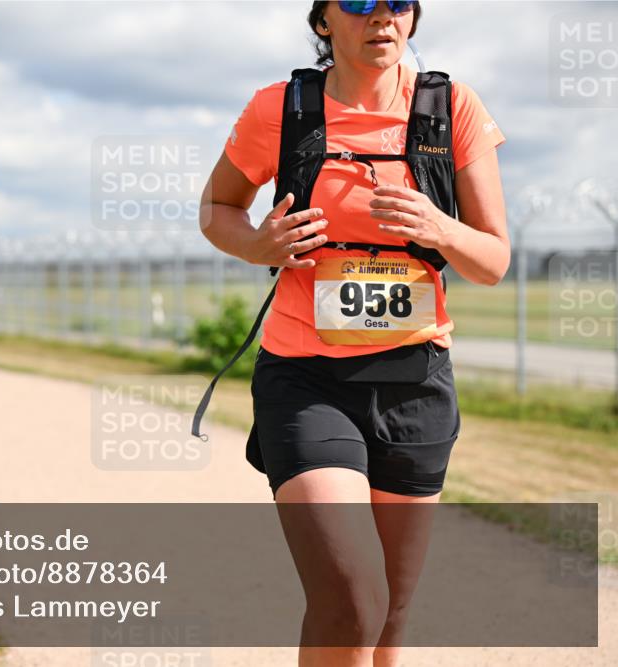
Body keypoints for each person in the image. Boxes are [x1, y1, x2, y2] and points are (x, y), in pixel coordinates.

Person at [199, 2, 508, 665]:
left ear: (414, 19)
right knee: (351, 595)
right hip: (307, 378)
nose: (382, 16)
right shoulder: (281, 109)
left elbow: (492, 259)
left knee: (391, 615)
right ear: (323, 22)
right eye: (360, 2)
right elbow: (218, 207)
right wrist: (260, 244)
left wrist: (437, 226)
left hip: (414, 382)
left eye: (398, 2)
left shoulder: (451, 109)